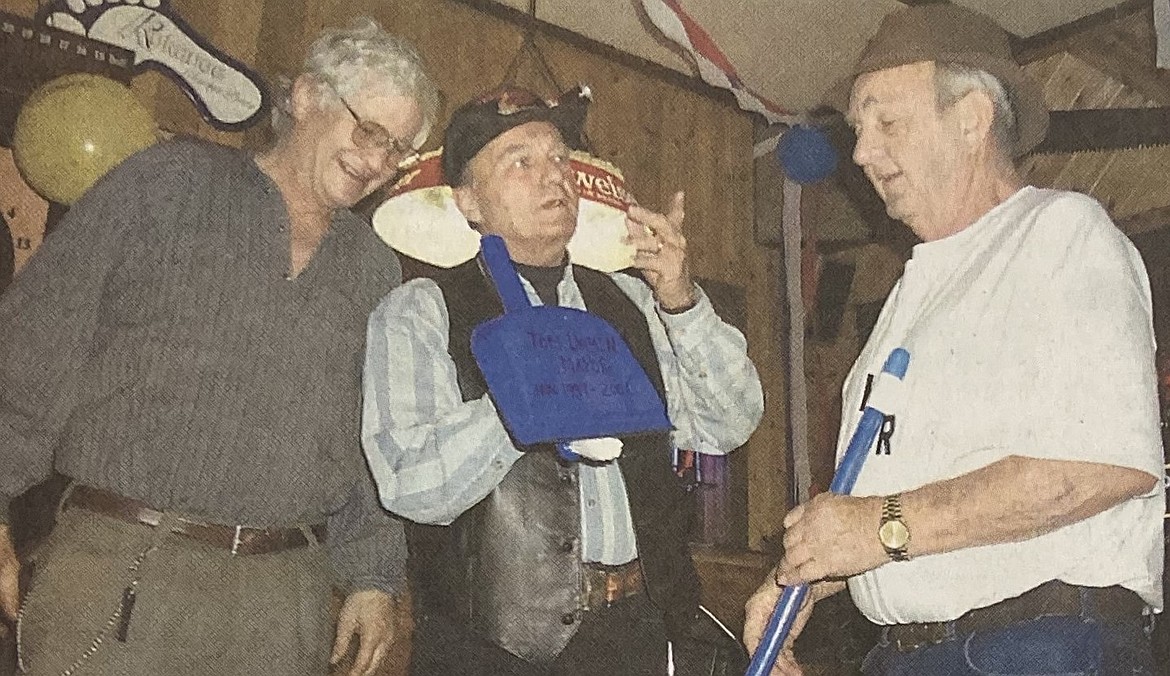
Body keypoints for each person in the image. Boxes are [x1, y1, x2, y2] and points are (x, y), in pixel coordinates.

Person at [0, 17, 439, 676]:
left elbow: (366, 435)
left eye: (397, 149)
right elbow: (37, 342)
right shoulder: (168, 182)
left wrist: (372, 576)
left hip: (283, 597)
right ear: (308, 97)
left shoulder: (374, 266)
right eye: (369, 131)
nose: (377, 162)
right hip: (124, 562)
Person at [744, 5, 1165, 675]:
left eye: (887, 123)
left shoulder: (1061, 234)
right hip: (910, 656)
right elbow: (899, 511)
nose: (860, 153)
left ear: (972, 118)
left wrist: (877, 526)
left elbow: (1102, 467)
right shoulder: (912, 293)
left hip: (1035, 651)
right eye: (857, 129)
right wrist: (806, 577)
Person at [361, 87, 764, 675]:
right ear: (469, 201)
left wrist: (680, 298)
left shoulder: (631, 300)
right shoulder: (421, 310)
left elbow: (727, 423)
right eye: (519, 161)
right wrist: (527, 398)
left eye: (558, 158)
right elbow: (408, 483)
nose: (553, 176)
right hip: (492, 651)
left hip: (641, 633)